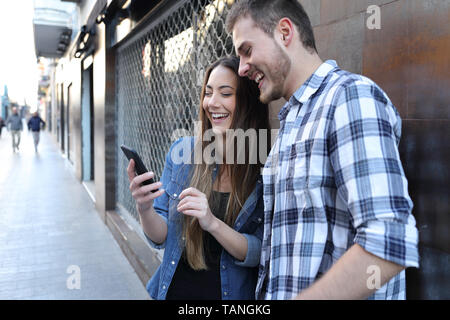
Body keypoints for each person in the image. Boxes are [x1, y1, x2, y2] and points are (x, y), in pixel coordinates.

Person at [226, 0, 419, 300]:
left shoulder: (349, 97)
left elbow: (390, 241)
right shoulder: (292, 121)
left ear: (285, 32)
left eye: (247, 51)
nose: (241, 69)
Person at [126, 56, 271, 300]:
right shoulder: (183, 154)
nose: (212, 103)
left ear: (249, 101)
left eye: (225, 94)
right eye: (208, 92)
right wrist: (145, 207)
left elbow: (259, 251)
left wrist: (212, 222)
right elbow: (161, 237)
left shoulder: (265, 167)